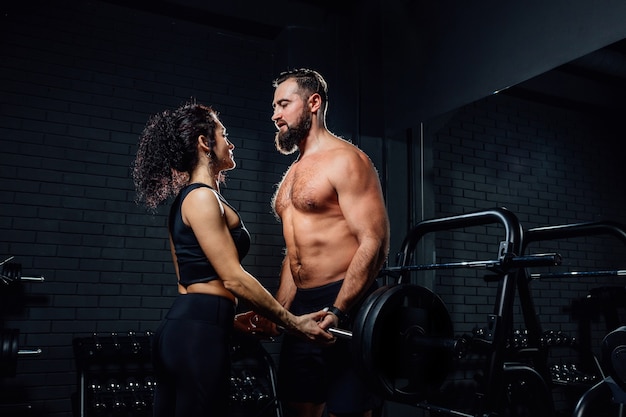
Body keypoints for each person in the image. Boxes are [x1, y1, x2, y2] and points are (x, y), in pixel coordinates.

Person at [132, 101, 334, 417]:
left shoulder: (189, 200)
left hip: (191, 329)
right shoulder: (201, 197)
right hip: (196, 337)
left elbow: (191, 281)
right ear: (203, 142)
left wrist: (227, 320)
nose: (230, 142)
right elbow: (232, 278)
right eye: (223, 134)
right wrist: (293, 322)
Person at [271, 69, 391, 417]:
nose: (275, 114)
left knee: (350, 410)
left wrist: (338, 310)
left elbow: (375, 242)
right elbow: (296, 254)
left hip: (348, 304)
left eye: (283, 104)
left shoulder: (347, 160)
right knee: (299, 407)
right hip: (302, 310)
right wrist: (279, 313)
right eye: (274, 106)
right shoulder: (292, 173)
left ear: (313, 103)